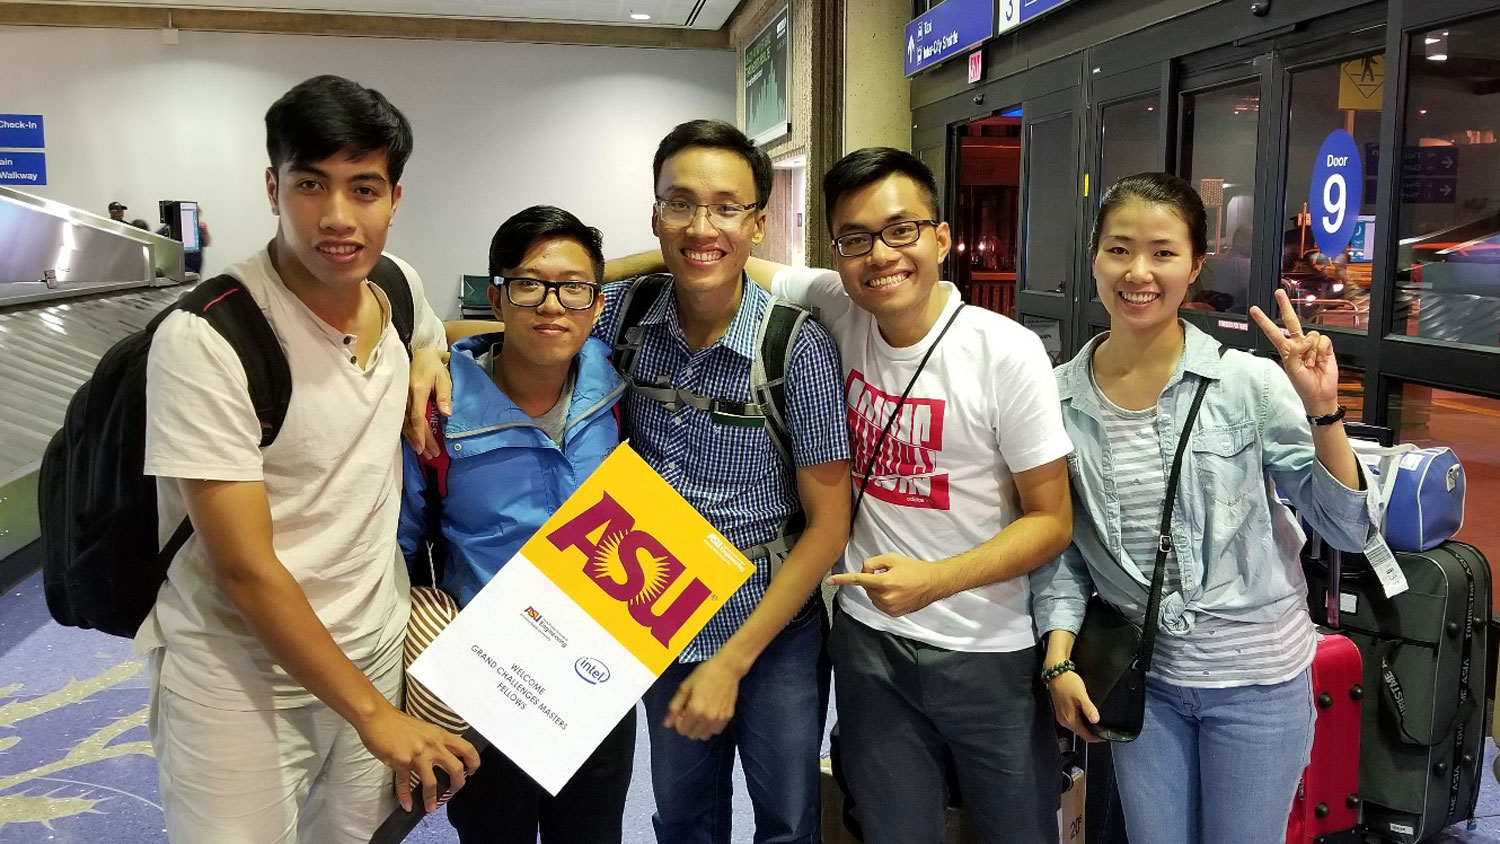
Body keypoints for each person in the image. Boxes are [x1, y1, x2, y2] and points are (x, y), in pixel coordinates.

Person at [606, 147, 1074, 843]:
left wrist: (935, 581)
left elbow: (1051, 521)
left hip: (983, 645)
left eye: (901, 231)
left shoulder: (1002, 352)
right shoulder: (837, 305)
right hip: (866, 643)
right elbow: (710, 251)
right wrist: (591, 273)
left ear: (942, 237)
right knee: (882, 829)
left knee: (1014, 831)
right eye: (856, 239)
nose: (880, 255)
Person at [137, 74, 479, 844]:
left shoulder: (395, 283)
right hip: (238, 671)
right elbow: (245, 570)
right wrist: (374, 717)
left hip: (374, 638)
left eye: (363, 188)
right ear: (272, 187)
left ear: (395, 198)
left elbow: (426, 330)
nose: (336, 217)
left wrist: (431, 356)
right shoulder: (208, 341)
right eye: (309, 184)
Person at [1033, 172, 1378, 844]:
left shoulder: (1247, 385)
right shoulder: (1054, 402)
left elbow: (1344, 526)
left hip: (1259, 684)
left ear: (1195, 265)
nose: (1139, 272)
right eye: (1119, 249)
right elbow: (1064, 552)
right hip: (1145, 685)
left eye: (1163, 252)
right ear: (1095, 257)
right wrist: (1059, 658)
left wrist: (1323, 411)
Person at [605, 119, 851, 844]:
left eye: (725, 207)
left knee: (787, 822)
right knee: (683, 821)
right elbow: (534, 313)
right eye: (679, 204)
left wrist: (734, 661)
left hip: (771, 630)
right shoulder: (626, 318)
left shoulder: (792, 345)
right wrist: (429, 348)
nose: (701, 225)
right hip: (658, 619)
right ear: (654, 217)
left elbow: (828, 525)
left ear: (758, 223)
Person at [397, 205, 634, 844]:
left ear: (597, 302)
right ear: (497, 297)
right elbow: (397, 547)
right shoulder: (439, 412)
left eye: (574, 287)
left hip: (598, 674)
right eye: (529, 284)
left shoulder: (617, 389)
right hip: (490, 680)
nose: (552, 304)